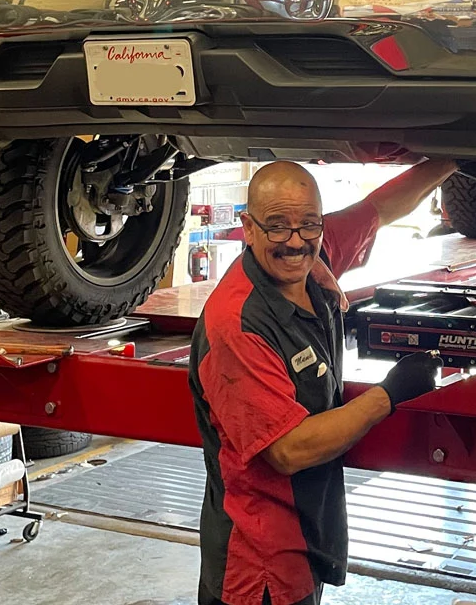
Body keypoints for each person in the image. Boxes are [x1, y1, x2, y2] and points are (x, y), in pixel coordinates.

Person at [189, 158, 459, 605]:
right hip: (261, 563)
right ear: (248, 227)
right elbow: (289, 449)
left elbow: (380, 208)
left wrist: (451, 160)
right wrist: (387, 394)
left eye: (308, 225)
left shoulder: (315, 252)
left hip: (303, 537)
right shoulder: (237, 325)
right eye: (277, 227)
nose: (295, 243)